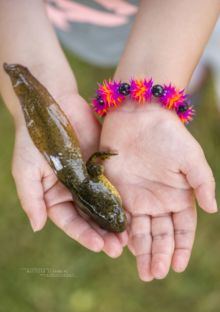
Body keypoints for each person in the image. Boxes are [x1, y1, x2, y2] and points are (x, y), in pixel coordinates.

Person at [0, 0, 218, 282]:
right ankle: (190, 76)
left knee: (209, 37)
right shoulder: (82, 179)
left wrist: (151, 94)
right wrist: (37, 68)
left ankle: (192, 69)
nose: (119, 209)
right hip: (82, 27)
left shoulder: (87, 176)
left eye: (115, 206)